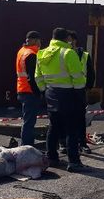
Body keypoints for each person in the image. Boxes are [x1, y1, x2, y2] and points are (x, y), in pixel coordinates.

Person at [35, 28, 89, 172]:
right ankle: (74, 162)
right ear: (66, 39)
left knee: (54, 127)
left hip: (50, 93)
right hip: (69, 94)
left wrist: (45, 90)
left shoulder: (42, 53)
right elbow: (77, 77)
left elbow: (38, 77)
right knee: (72, 129)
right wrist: (80, 94)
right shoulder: (68, 53)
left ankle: (52, 157)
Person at [67, 30, 95, 154]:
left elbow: (90, 73)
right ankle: (64, 144)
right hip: (66, 90)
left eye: (71, 40)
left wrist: (88, 87)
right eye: (67, 40)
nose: (69, 42)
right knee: (65, 118)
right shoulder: (63, 54)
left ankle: (82, 143)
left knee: (80, 118)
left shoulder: (84, 55)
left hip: (80, 91)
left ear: (75, 41)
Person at [15, 31, 42, 146]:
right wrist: (38, 93)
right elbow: (32, 77)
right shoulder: (31, 54)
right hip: (29, 92)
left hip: (22, 89)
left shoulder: (21, 51)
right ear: (35, 40)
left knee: (27, 121)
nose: (40, 44)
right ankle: (26, 147)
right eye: (39, 41)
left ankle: (26, 145)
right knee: (29, 122)